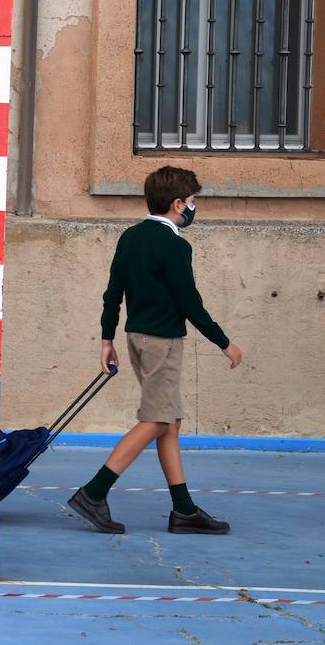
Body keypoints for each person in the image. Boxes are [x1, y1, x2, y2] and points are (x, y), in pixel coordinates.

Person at [68, 166, 243, 534]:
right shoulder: (176, 245)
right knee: (157, 420)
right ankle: (94, 493)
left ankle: (184, 510)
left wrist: (106, 340)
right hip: (162, 342)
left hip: (137, 338)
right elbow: (190, 303)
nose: (194, 208)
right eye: (193, 202)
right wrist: (224, 343)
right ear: (179, 204)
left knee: (170, 422)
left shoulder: (130, 237)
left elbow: (113, 293)